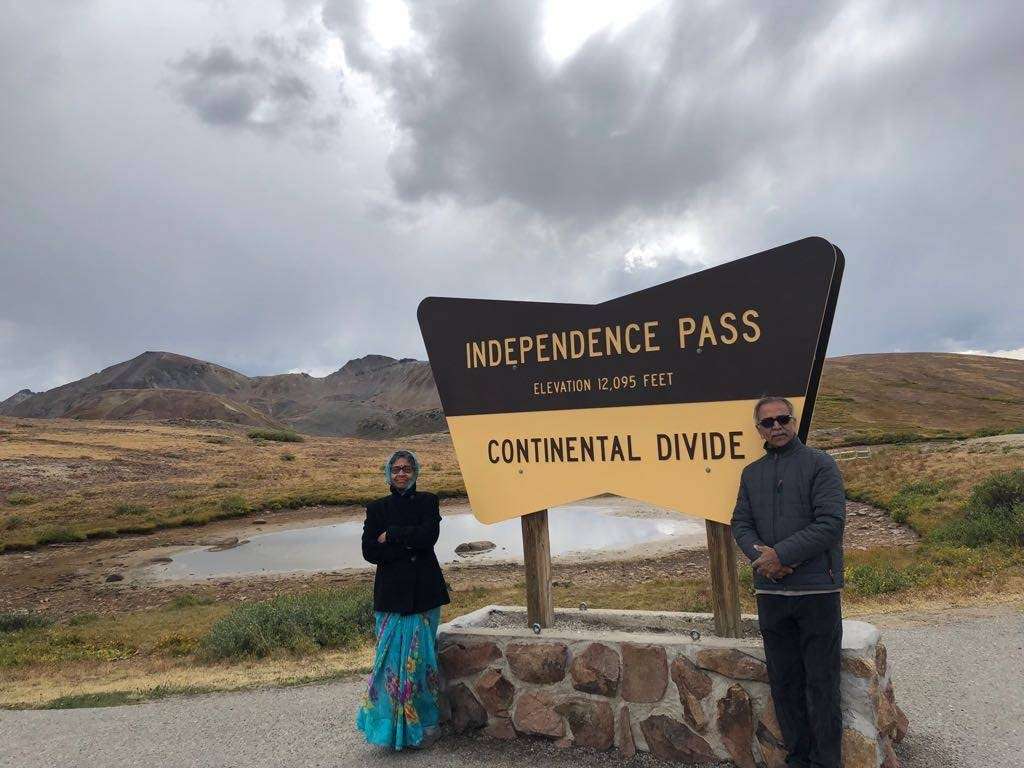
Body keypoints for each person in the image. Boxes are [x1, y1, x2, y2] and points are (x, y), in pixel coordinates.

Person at [731, 396, 846, 768]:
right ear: (758, 429)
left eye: (783, 419)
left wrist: (781, 555)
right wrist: (762, 559)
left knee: (822, 685)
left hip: (817, 592)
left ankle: (826, 762)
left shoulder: (820, 464)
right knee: (784, 684)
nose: (776, 426)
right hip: (772, 593)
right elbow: (741, 524)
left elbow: (830, 524)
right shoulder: (752, 473)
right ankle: (797, 759)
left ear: (793, 422)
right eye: (767, 423)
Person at [356, 449, 450, 750]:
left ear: (415, 472)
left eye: (407, 468)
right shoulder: (376, 508)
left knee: (422, 661)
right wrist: (408, 542)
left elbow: (428, 538)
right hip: (391, 596)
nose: (401, 474)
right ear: (388, 473)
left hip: (424, 594)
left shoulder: (428, 501)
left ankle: (422, 725)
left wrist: (392, 534)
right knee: (388, 665)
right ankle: (389, 729)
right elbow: (370, 552)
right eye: (396, 469)